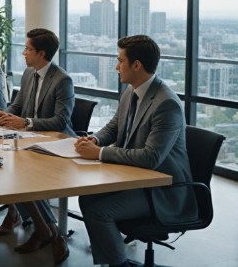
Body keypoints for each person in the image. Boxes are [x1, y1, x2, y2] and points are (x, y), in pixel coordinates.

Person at [74, 35, 197, 267]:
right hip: (134, 178)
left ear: (136, 65)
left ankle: (119, 264)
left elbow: (151, 157)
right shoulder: (131, 92)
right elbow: (114, 126)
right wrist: (94, 139)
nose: (116, 66)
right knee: (87, 197)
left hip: (162, 189)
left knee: (100, 211)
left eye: (120, 60)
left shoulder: (165, 104)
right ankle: (113, 259)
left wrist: (99, 153)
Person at [0, 28, 74, 264]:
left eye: (27, 49)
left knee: (24, 178)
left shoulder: (62, 80)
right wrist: (2, 114)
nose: (23, 53)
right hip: (28, 140)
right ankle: (45, 230)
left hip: (57, 143)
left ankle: (49, 233)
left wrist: (26, 122)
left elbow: (61, 121)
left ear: (41, 53)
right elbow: (18, 105)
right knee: (8, 171)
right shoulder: (28, 74)